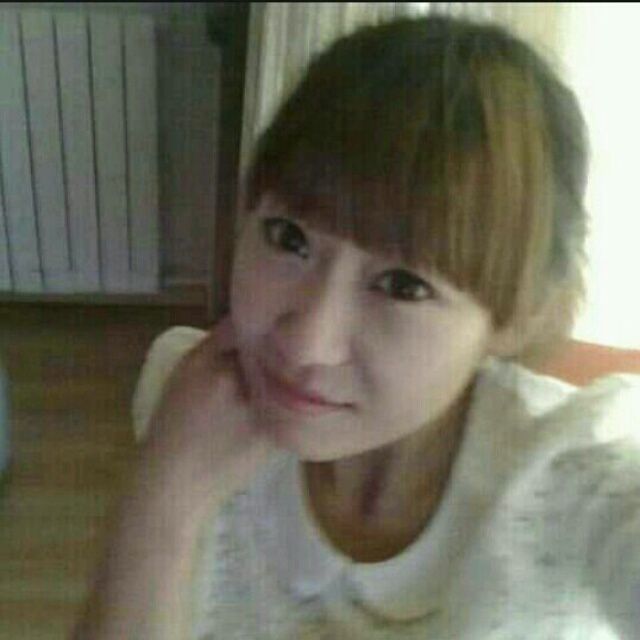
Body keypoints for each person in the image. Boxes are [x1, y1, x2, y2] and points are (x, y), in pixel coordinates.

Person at [73, 14, 640, 640]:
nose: (305, 344)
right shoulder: (191, 400)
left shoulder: (575, 479)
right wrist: (164, 502)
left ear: (514, 318)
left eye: (403, 285)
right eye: (288, 238)